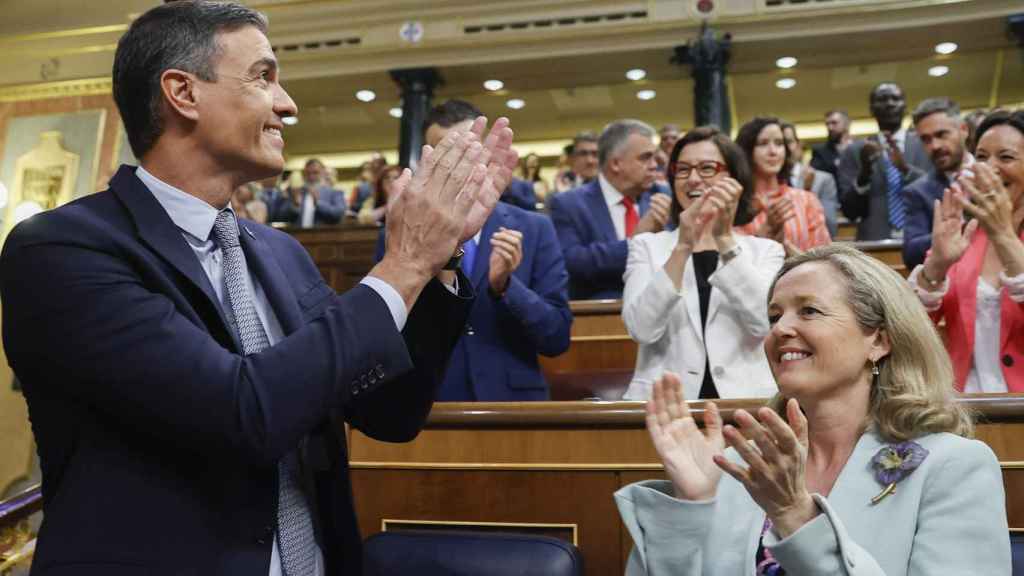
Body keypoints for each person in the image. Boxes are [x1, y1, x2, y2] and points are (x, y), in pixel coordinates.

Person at [0, 2, 518, 574]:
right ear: (183, 93)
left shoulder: (281, 254)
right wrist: (403, 262)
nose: (287, 104)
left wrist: (441, 260)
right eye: (263, 76)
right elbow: (243, 412)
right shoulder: (60, 249)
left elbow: (388, 411)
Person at [616, 244, 1009, 575]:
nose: (780, 329)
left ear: (879, 341)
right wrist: (691, 506)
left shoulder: (952, 467)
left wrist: (795, 517)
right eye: (774, 316)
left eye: (809, 311)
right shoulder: (740, 466)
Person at [379, 99, 571, 401]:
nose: (458, 166)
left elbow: (557, 337)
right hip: (433, 406)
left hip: (514, 405)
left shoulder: (535, 228)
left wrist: (507, 287)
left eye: (468, 152)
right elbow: (388, 332)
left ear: (488, 153)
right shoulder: (403, 229)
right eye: (445, 155)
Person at [621, 126, 783, 401]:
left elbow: (763, 324)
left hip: (747, 405)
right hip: (666, 405)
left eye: (707, 168)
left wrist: (723, 239)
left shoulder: (766, 251)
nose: (693, 179)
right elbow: (641, 329)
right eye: (683, 170)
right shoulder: (647, 246)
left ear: (733, 177)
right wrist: (683, 247)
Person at [909, 109, 1024, 393]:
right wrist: (936, 265)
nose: (990, 168)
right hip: (968, 409)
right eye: (982, 157)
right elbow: (910, 328)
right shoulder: (964, 235)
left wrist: (1004, 236)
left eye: (1006, 157)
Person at [550, 120, 673, 299]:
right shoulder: (568, 204)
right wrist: (635, 242)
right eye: (645, 157)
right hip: (599, 317)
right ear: (616, 163)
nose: (654, 165)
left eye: (655, 158)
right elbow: (574, 263)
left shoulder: (662, 195)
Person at [837, 82, 931, 241]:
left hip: (923, 239)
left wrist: (906, 170)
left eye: (896, 98)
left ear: (905, 106)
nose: (889, 103)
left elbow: (938, 194)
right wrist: (864, 174)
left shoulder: (926, 145)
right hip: (874, 244)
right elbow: (849, 212)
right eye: (882, 99)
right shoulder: (855, 151)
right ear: (871, 109)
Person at [736, 117, 831, 256]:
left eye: (779, 143)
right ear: (747, 151)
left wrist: (784, 246)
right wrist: (761, 238)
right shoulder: (736, 203)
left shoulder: (806, 200)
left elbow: (823, 261)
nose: (773, 151)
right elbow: (732, 266)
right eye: (762, 144)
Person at [902, 98, 973, 270]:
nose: (934, 146)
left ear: (963, 130)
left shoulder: (998, 175)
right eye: (926, 140)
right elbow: (910, 253)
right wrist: (954, 229)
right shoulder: (917, 191)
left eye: (941, 135)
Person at [781, 121, 839, 238]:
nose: (785, 148)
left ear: (798, 145)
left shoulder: (823, 180)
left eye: (788, 142)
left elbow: (830, 229)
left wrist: (808, 194)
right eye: (779, 143)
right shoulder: (765, 184)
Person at [276, 158, 348, 227]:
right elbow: (280, 217)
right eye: (308, 173)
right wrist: (295, 205)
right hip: (297, 236)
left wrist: (318, 203)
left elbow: (338, 215)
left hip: (325, 237)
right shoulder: (296, 192)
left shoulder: (335, 193)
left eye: (315, 173)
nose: (311, 177)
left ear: (323, 173)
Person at [810, 109, 852, 180]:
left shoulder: (860, 147)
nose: (830, 128)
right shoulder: (820, 152)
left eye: (834, 123)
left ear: (847, 124)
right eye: (827, 124)